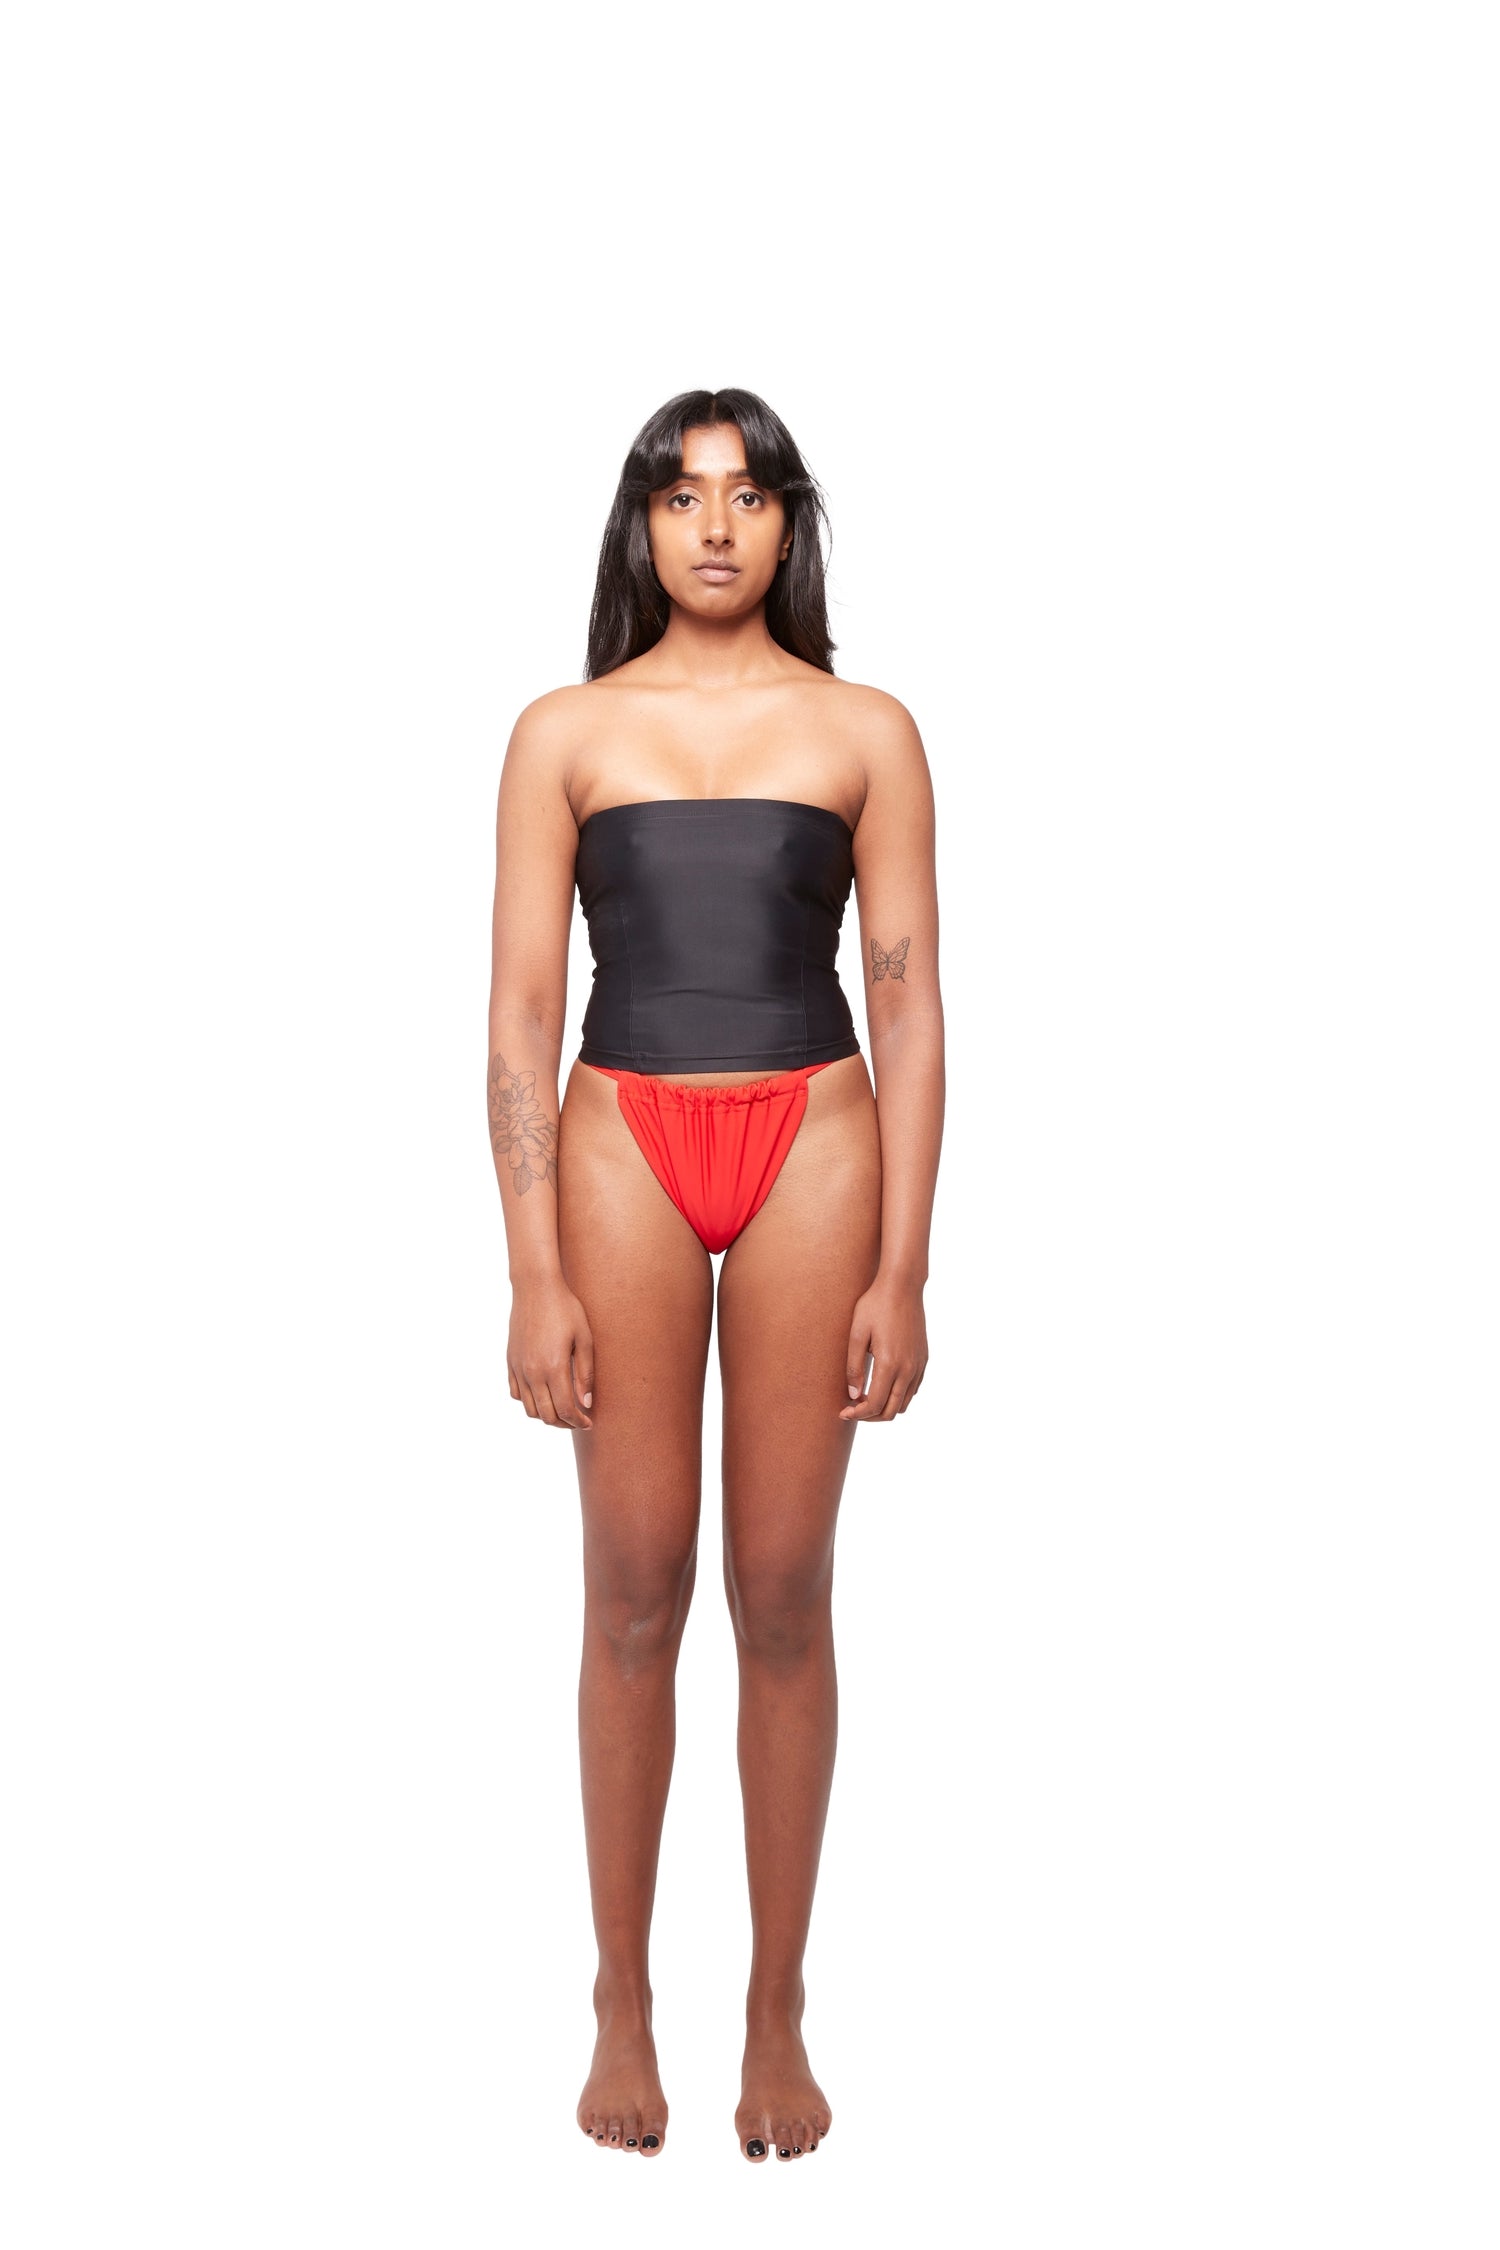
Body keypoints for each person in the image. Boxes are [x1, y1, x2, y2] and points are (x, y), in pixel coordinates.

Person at [486, 388, 944, 2164]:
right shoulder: (563, 733)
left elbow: (907, 1000)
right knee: (631, 1581)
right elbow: (523, 1012)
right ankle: (620, 1995)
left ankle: (776, 2006)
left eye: (748, 496)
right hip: (622, 1136)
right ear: (642, 525)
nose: (717, 525)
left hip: (816, 1130)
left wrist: (907, 1263)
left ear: (788, 523)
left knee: (781, 1585)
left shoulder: (867, 729)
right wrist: (532, 1267)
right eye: (684, 497)